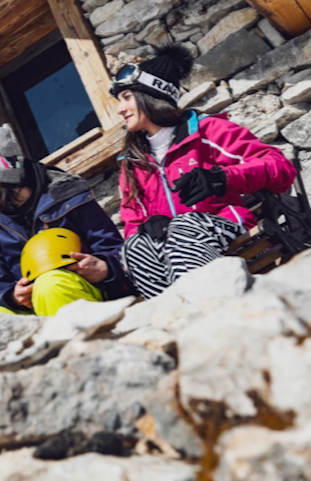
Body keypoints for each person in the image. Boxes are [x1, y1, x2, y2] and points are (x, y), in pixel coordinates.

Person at [113, 44, 298, 299]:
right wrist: (146, 227)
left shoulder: (206, 132)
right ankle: (178, 318)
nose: (119, 109)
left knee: (183, 227)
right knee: (135, 248)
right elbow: (132, 222)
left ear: (151, 94)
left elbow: (280, 168)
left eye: (126, 97)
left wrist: (222, 178)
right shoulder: (132, 164)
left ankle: (207, 307)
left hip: (229, 229)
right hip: (175, 255)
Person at [0, 124, 132, 316]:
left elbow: (116, 250)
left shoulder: (68, 198)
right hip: (33, 310)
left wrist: (104, 267)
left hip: (90, 296)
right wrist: (13, 298)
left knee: (50, 285)